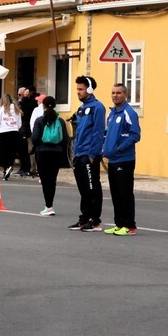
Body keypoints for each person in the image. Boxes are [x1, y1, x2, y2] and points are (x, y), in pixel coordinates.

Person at [69, 75, 107, 231]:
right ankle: (84, 218)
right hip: (79, 154)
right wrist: (75, 153)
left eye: (81, 89)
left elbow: (98, 132)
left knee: (93, 188)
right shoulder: (81, 108)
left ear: (89, 89)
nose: (78, 92)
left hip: (89, 155)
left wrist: (92, 155)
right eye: (77, 89)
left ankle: (94, 220)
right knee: (83, 189)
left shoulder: (98, 107)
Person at [103, 82, 141, 235]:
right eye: (113, 93)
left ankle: (130, 226)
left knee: (125, 193)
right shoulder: (112, 114)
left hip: (124, 159)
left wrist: (119, 148)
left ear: (125, 94)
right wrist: (105, 148)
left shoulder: (129, 113)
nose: (115, 95)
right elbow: (109, 134)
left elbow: (135, 135)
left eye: (118, 93)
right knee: (116, 193)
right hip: (113, 159)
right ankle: (119, 224)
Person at [31, 95, 70, 216]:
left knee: (45, 180)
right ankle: (50, 205)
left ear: (43, 105)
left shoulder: (39, 120)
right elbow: (65, 139)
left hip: (42, 153)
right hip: (56, 153)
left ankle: (48, 205)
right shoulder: (60, 121)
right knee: (52, 180)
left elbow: (35, 138)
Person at [0, 93, 23, 180]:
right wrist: (15, 127)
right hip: (14, 132)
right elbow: (19, 123)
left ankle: (5, 167)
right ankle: (10, 165)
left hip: (3, 132)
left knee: (2, 152)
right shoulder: (17, 109)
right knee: (12, 152)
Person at [16, 86, 38, 177]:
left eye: (21, 95)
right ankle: (23, 168)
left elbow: (26, 112)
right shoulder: (22, 103)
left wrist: (24, 99)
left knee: (30, 150)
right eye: (19, 95)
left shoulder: (31, 103)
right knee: (22, 150)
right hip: (22, 128)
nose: (19, 97)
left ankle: (31, 169)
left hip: (28, 129)